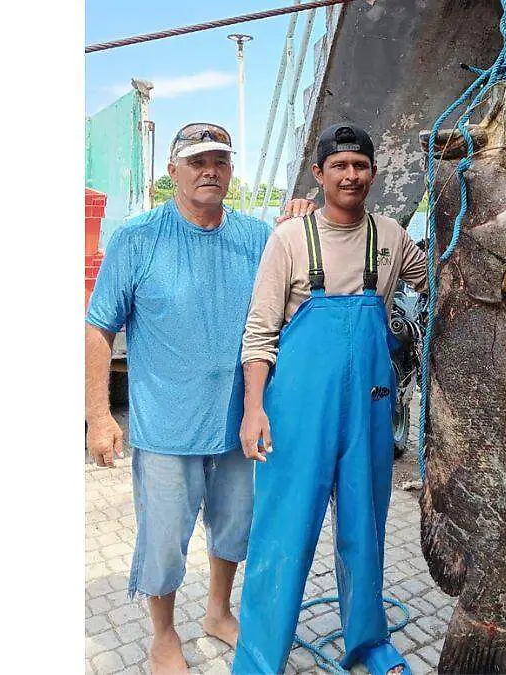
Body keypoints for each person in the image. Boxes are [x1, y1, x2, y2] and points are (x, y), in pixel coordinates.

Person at [85, 122, 314, 675]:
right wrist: (96, 414)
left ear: (231, 170)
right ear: (173, 172)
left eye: (220, 160)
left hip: (239, 422)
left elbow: (295, 304)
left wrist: (304, 227)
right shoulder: (137, 238)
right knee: (164, 541)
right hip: (166, 426)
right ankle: (163, 635)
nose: (210, 170)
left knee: (235, 527)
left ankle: (218, 611)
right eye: (196, 161)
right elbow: (98, 328)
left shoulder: (258, 238)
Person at [231, 123, 427, 675]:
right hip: (298, 412)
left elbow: (438, 281)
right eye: (339, 165)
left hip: (369, 406)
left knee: (365, 529)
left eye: (360, 165)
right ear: (319, 174)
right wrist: (253, 409)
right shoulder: (290, 239)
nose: (351, 175)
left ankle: (368, 642)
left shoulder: (391, 237)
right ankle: (258, 659)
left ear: (373, 173)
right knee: (283, 531)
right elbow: (260, 331)